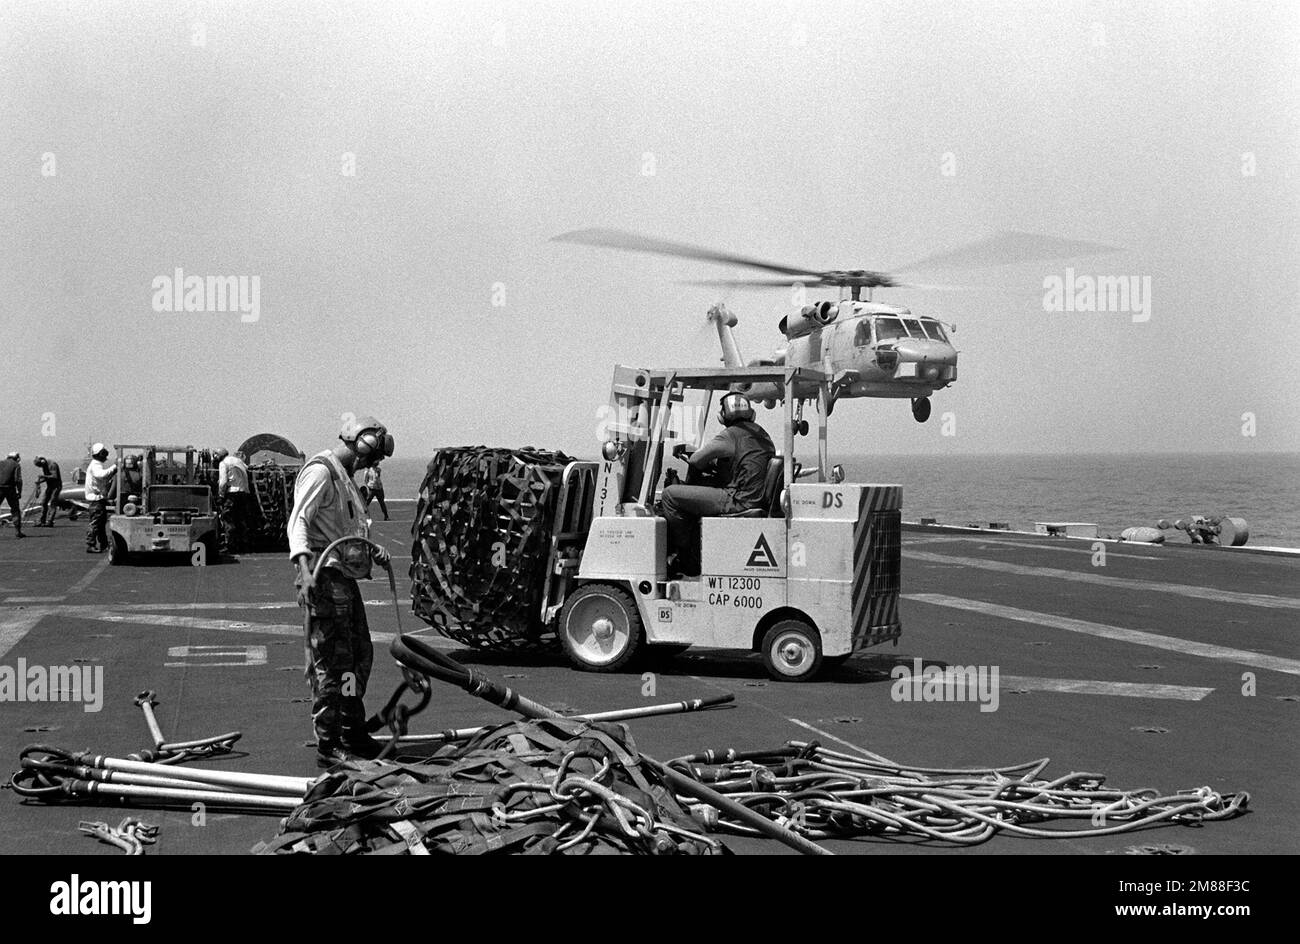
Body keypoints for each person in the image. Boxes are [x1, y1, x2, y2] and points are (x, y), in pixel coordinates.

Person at [287, 415, 394, 767]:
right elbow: (298, 520)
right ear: (359, 442)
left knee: (359, 655)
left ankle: (352, 730)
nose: (373, 462)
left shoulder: (345, 478)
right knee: (333, 663)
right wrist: (303, 569)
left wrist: (371, 550)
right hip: (324, 577)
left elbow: (346, 524)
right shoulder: (321, 471)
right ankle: (329, 743)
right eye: (372, 454)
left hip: (342, 578)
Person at [660, 392, 775, 576]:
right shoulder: (762, 435)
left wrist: (696, 455)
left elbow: (697, 460)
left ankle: (685, 555)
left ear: (722, 415)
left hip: (737, 500)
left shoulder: (729, 435)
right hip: (755, 497)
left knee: (670, 495)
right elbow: (743, 463)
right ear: (751, 413)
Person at [216, 448, 254, 553]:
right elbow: (247, 469)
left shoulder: (223, 463)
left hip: (232, 493)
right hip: (244, 493)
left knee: (228, 518)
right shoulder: (238, 460)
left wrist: (220, 495)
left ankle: (231, 546)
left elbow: (223, 482)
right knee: (241, 519)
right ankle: (244, 545)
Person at [84, 444, 117, 553]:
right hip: (96, 500)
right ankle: (90, 544)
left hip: (98, 499)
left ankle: (103, 544)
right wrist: (114, 467)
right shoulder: (95, 465)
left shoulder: (96, 464)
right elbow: (101, 475)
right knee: (95, 523)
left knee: (101, 523)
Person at [0, 451, 24, 539]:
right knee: (15, 510)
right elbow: (18, 480)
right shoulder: (16, 465)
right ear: (16, 458)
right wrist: (19, 492)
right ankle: (18, 531)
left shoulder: (1, 463)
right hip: (10, 489)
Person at [33, 456, 62, 527]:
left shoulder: (52, 464)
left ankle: (50, 521)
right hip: (50, 486)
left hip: (56, 486)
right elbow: (47, 477)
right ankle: (42, 520)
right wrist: (39, 482)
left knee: (53, 503)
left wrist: (43, 476)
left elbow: (55, 476)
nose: (41, 467)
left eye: (40, 465)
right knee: (43, 502)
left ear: (42, 462)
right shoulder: (44, 465)